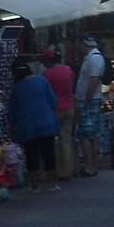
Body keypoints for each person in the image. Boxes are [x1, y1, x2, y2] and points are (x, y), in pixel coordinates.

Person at [8, 61, 60, 192]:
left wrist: (12, 125)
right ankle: (52, 184)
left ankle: (34, 185)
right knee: (49, 153)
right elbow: (53, 101)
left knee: (31, 155)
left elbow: (13, 111)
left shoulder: (17, 88)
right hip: (46, 123)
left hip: (27, 126)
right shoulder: (42, 81)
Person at [74, 34, 107, 176]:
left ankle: (90, 166)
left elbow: (93, 80)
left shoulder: (94, 58)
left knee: (86, 134)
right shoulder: (91, 58)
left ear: (84, 44)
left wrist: (86, 100)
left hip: (89, 101)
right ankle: (92, 166)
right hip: (89, 100)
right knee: (91, 134)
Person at [42, 47, 76, 180]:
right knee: (66, 140)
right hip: (69, 107)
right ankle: (67, 171)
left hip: (54, 110)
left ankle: (54, 170)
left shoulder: (46, 74)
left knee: (52, 141)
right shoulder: (68, 70)